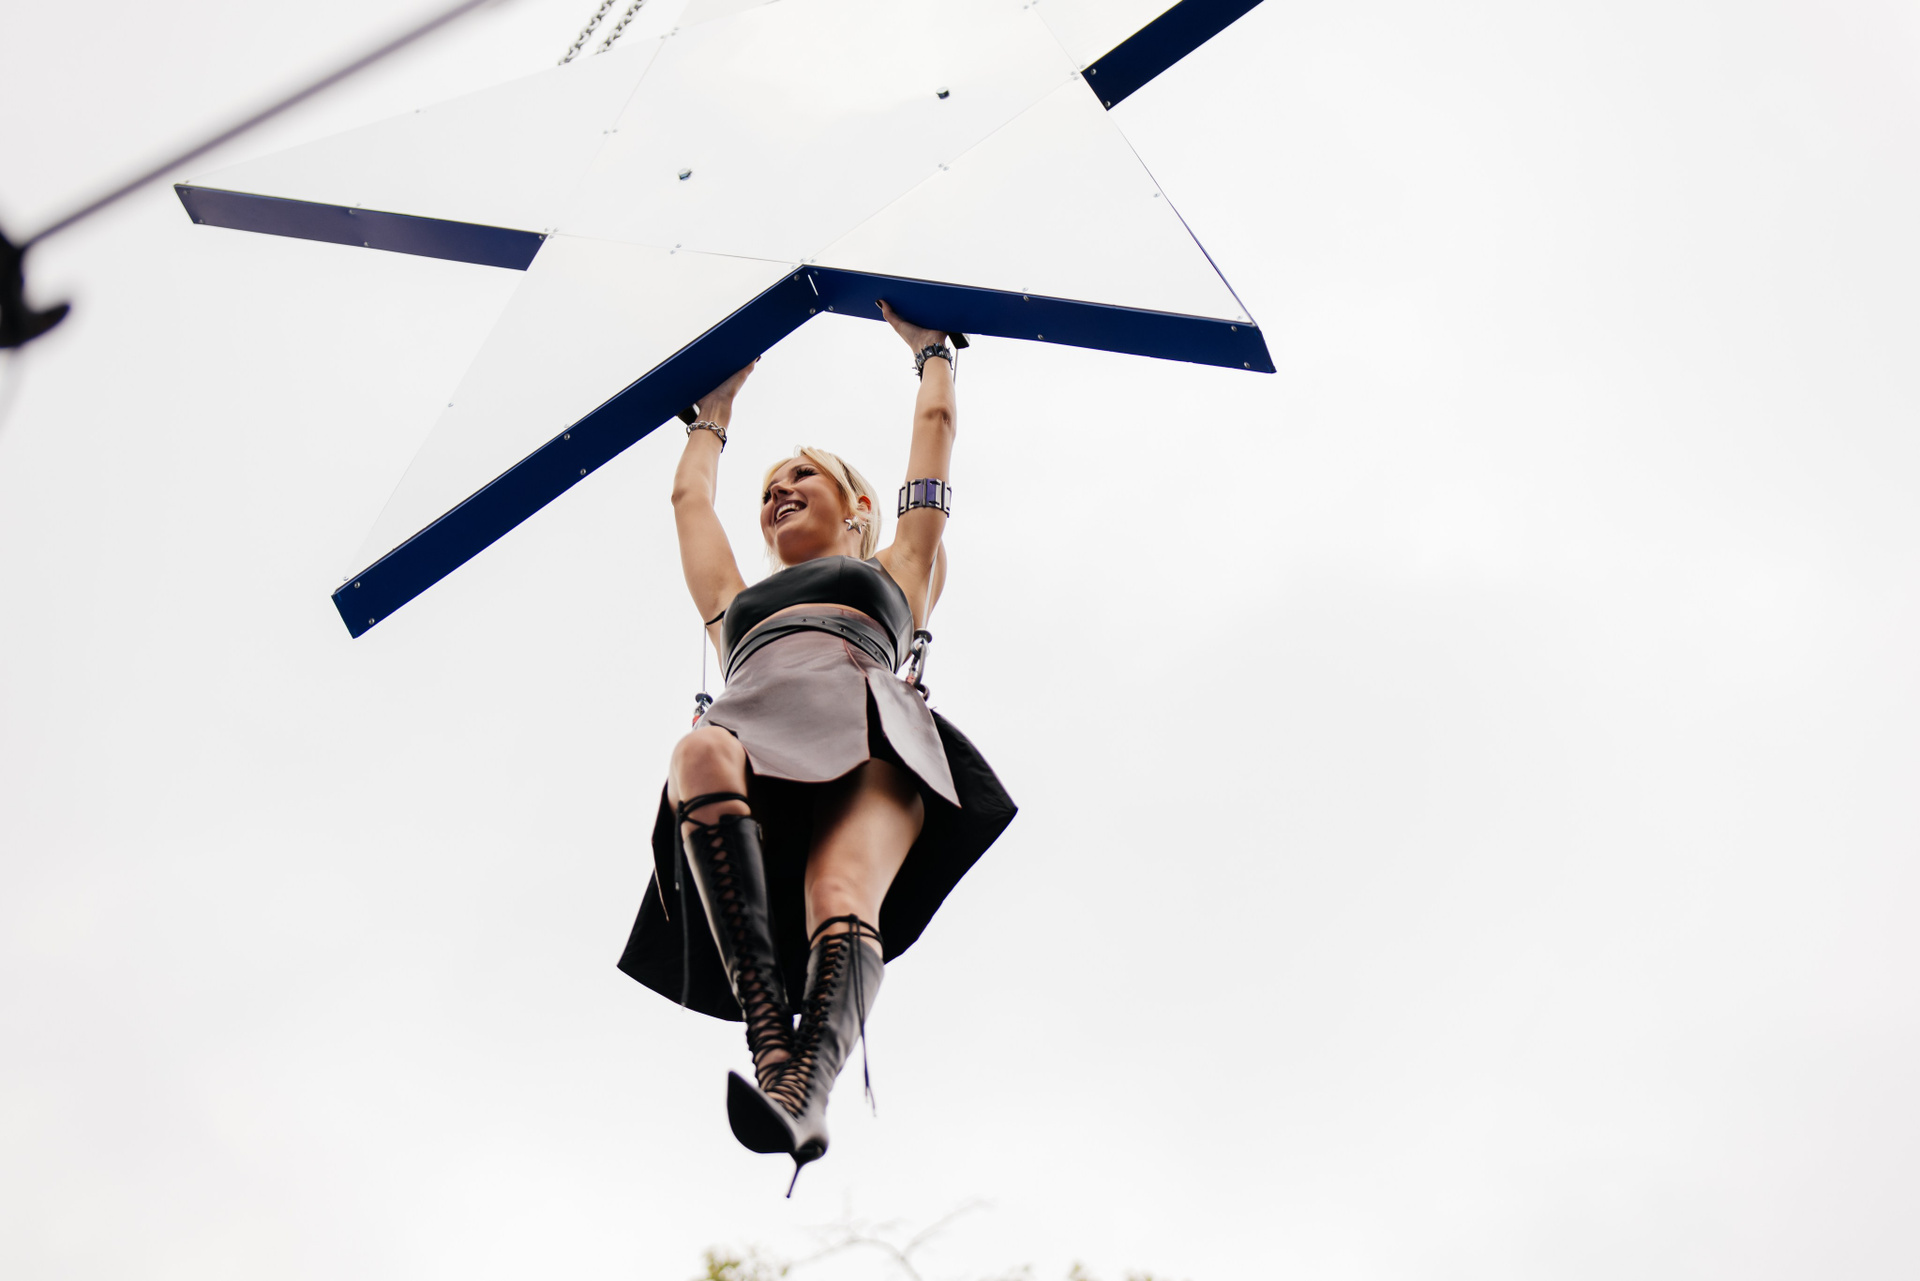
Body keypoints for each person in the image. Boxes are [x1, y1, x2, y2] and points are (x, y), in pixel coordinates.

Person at [617, 301, 1016, 1192]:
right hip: (757, 720)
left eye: (802, 475)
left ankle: (806, 1090)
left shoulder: (898, 569)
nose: (778, 492)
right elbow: (688, 500)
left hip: (871, 725)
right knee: (698, 754)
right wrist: (713, 412)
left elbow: (935, 434)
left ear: (856, 505)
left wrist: (931, 352)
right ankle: (771, 1038)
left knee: (840, 895)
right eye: (768, 488)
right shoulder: (734, 609)